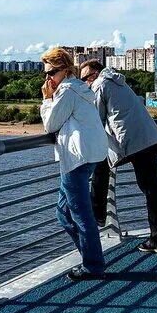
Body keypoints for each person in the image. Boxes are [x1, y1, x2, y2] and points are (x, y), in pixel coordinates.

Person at [81, 60, 157, 253]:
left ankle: (98, 213)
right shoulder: (118, 81)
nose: (84, 83)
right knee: (152, 190)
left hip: (134, 144)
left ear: (94, 74)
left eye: (85, 78)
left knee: (100, 161)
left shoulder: (99, 85)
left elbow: (95, 119)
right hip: (151, 139)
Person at [40, 47, 108, 281]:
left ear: (65, 70)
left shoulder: (67, 91)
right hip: (87, 155)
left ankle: (93, 265)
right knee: (63, 213)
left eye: (51, 72)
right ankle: (91, 257)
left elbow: (50, 124)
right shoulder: (79, 89)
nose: (48, 78)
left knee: (80, 214)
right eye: (45, 73)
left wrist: (47, 99)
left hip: (76, 158)